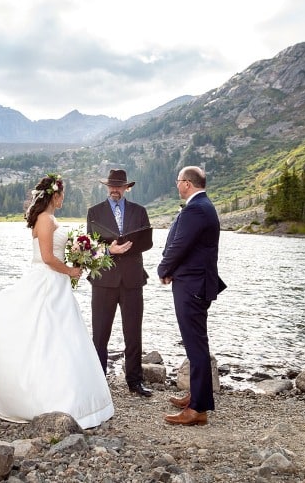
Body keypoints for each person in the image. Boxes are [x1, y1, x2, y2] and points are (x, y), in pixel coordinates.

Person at [0, 173, 115, 429]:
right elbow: (47, 257)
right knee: (47, 337)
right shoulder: (46, 219)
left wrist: (80, 257)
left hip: (55, 284)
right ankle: (48, 398)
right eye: (62, 196)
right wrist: (70, 270)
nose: (63, 200)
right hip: (47, 281)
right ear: (55, 195)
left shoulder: (49, 218)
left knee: (59, 336)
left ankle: (71, 395)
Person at [156, 165, 226, 426]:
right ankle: (197, 395)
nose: (177, 186)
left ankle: (198, 409)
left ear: (187, 183)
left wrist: (164, 269)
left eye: (178, 181)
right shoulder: (203, 206)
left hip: (192, 285)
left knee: (195, 345)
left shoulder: (197, 208)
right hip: (194, 282)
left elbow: (179, 245)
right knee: (196, 343)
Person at [87, 169, 155, 397]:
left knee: (133, 333)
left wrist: (131, 246)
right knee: (100, 334)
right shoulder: (94, 212)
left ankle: (135, 381)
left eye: (119, 186)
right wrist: (109, 249)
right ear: (106, 187)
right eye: (111, 186)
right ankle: (98, 381)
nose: (115, 190)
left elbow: (147, 243)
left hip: (133, 280)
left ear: (127, 188)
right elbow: (89, 250)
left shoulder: (140, 211)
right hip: (103, 280)